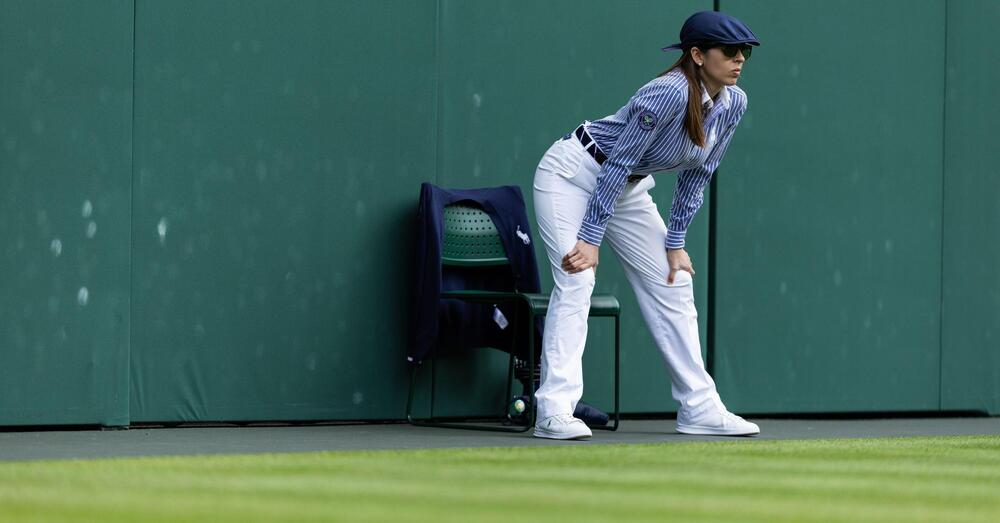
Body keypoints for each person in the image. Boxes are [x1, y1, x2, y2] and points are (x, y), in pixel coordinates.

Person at [531, 11, 761, 440]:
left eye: (744, 51)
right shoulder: (666, 94)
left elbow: (699, 173)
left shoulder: (734, 103)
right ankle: (553, 410)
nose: (739, 59)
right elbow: (618, 162)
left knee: (674, 280)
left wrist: (676, 242)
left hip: (627, 190)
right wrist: (591, 236)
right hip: (573, 175)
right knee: (578, 276)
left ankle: (700, 407)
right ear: (697, 55)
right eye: (729, 51)